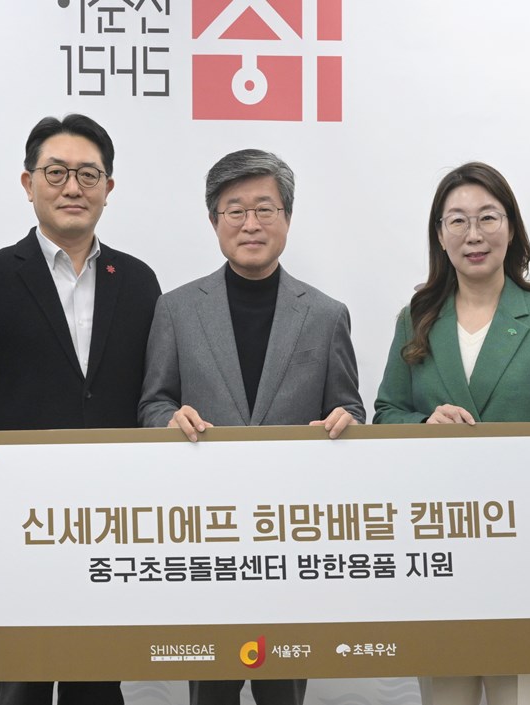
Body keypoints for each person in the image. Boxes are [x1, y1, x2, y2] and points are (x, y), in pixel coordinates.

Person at [0, 114, 160, 705]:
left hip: (110, 520)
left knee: (98, 684)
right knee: (24, 684)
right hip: (21, 519)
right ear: (28, 183)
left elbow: (158, 388)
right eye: (56, 173)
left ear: (108, 188)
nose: (72, 187)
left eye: (88, 174)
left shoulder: (138, 282)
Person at [139, 148, 365, 705]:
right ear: (213, 220)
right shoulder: (176, 309)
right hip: (207, 538)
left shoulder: (326, 314)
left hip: (291, 542)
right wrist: (169, 419)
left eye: (265, 209)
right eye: (234, 210)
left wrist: (348, 421)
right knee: (209, 694)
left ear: (287, 217)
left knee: (283, 693)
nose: (251, 224)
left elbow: (350, 408)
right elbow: (153, 402)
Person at [373, 162, 530, 705]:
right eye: (458, 221)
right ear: (440, 235)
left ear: (511, 228)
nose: (474, 234)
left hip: (526, 552)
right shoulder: (416, 319)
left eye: (488, 217)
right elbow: (385, 414)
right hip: (440, 549)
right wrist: (424, 423)